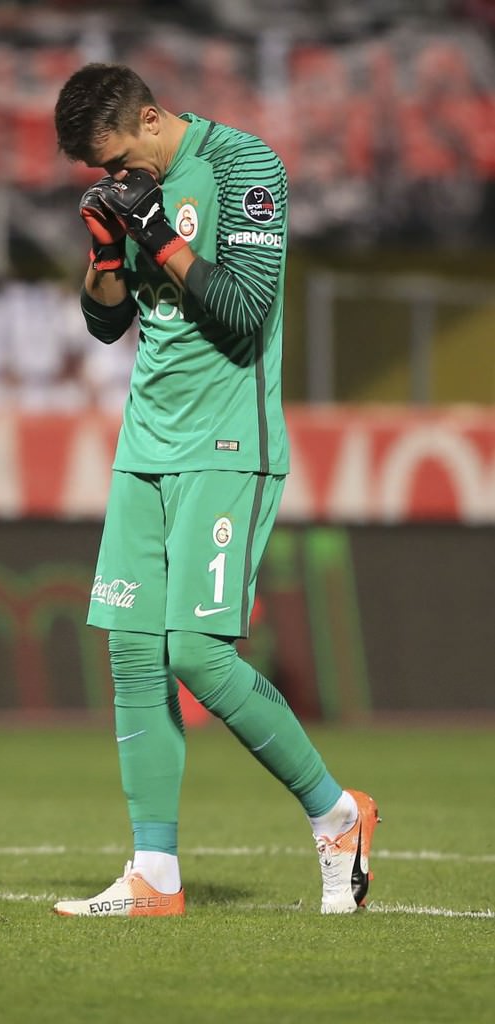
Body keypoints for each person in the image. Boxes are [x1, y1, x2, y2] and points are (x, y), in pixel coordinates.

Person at [52, 63, 379, 917]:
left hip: (227, 441)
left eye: (117, 159)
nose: (113, 176)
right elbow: (106, 323)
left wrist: (156, 231)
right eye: (99, 171)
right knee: (132, 651)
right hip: (144, 443)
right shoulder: (134, 192)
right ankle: (154, 875)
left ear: (151, 119)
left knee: (196, 654)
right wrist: (104, 250)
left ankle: (336, 815)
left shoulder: (243, 164)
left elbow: (243, 308)